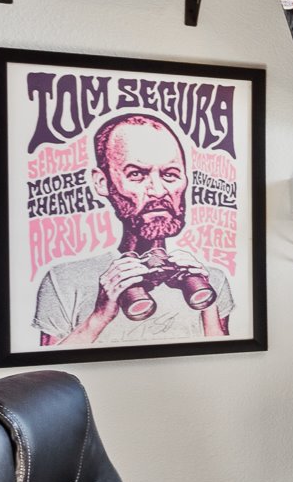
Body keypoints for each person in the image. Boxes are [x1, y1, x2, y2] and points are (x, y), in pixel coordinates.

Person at [33, 113, 235, 347]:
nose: (158, 191)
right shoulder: (64, 279)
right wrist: (100, 315)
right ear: (102, 182)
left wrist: (207, 302)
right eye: (136, 174)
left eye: (170, 175)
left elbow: (223, 354)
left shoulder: (212, 278)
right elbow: (48, 365)